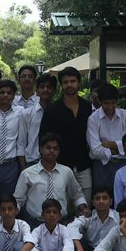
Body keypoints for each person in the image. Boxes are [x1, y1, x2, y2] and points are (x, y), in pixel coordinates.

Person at [41, 68, 94, 199]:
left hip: (84, 163)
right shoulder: (52, 110)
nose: (69, 85)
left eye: (73, 81)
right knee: (60, 201)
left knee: (85, 201)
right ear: (61, 85)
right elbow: (43, 138)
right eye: (65, 82)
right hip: (60, 163)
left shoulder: (88, 107)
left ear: (79, 83)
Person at [13, 132, 86, 226]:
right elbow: (18, 200)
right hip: (35, 224)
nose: (52, 151)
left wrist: (83, 208)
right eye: (48, 148)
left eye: (55, 148)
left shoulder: (66, 172)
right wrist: (12, 211)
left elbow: (77, 195)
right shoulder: (27, 173)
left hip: (61, 224)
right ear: (40, 149)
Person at [87, 82, 126, 193]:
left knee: (124, 196)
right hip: (102, 166)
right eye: (106, 103)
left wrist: (108, 144)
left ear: (117, 101)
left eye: (113, 103)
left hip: (124, 164)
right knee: (102, 198)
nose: (110, 107)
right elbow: (95, 150)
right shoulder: (93, 119)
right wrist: (119, 148)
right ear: (100, 101)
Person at [69, 186, 118, 251]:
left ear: (111, 201)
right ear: (93, 202)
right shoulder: (89, 216)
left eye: (104, 198)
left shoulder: (118, 217)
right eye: (98, 198)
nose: (101, 201)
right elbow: (70, 227)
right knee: (77, 236)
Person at [21, 73, 57, 167]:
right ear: (36, 90)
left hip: (55, 161)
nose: (45, 90)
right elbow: (21, 143)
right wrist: (23, 169)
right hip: (33, 161)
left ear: (54, 90)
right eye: (42, 87)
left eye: (49, 87)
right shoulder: (27, 114)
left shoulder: (60, 112)